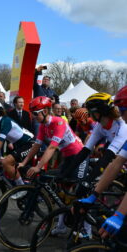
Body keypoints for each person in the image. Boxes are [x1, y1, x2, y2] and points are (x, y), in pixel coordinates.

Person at [19, 96, 89, 236]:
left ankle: (86, 230)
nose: (33, 116)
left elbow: (51, 148)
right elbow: (36, 145)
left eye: (35, 113)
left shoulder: (58, 123)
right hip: (68, 157)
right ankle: (62, 226)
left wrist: (38, 167)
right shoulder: (43, 126)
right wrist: (24, 162)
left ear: (45, 111)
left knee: (80, 192)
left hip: (80, 156)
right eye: (32, 113)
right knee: (61, 193)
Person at [75, 86, 127, 238]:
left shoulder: (122, 127)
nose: (120, 115)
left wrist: (119, 215)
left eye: (122, 111)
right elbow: (116, 163)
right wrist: (93, 194)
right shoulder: (100, 125)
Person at [61, 92, 127, 197]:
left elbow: (107, 157)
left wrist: (88, 180)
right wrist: (65, 173)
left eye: (90, 112)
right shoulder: (100, 125)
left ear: (99, 112)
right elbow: (85, 150)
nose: (89, 115)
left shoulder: (121, 126)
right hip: (118, 156)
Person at [0, 101, 34, 199]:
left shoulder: (5, 121)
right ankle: (19, 183)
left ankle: (22, 188)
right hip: (19, 145)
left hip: (29, 143)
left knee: (6, 162)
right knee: (3, 162)